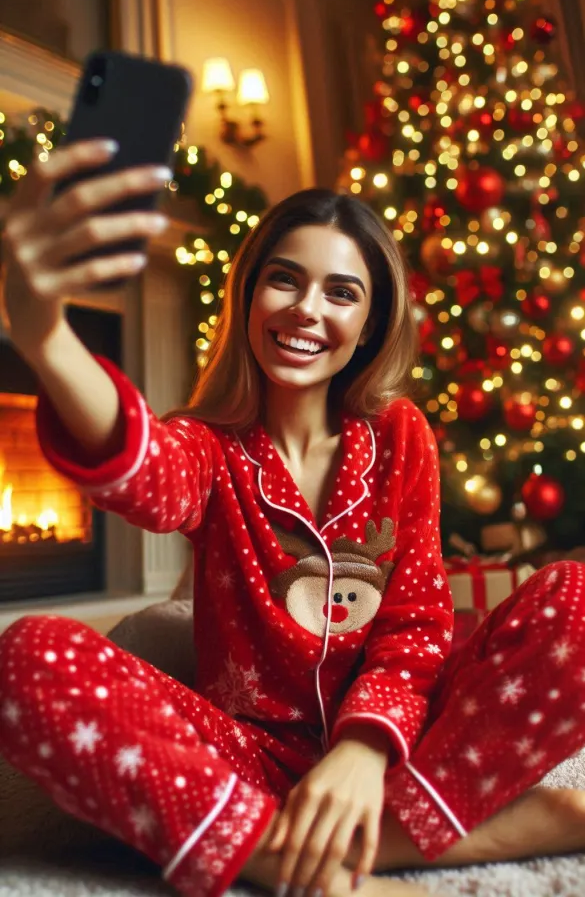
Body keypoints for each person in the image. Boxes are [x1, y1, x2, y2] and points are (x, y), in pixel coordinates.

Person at [0, 140, 585, 897]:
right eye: (284, 280)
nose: (307, 308)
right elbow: (144, 474)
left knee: (575, 597)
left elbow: (414, 626)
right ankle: (327, 859)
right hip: (245, 755)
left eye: (341, 292)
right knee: (30, 655)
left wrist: (362, 751)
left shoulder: (400, 434)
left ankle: (357, 836)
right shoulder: (208, 448)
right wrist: (44, 335)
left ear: (370, 322)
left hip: (403, 743)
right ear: (250, 297)